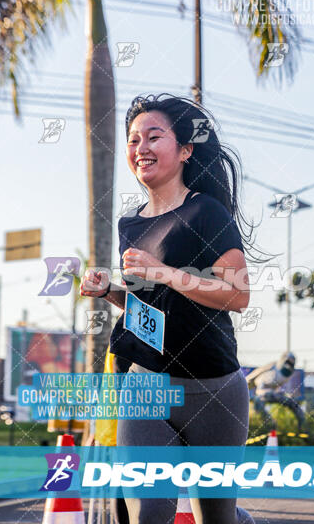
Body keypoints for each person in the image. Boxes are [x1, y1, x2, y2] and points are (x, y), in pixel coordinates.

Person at [80, 94, 270, 524]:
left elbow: (237, 295)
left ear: (185, 150)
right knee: (149, 512)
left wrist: (163, 271)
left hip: (213, 388)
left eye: (153, 136)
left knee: (215, 517)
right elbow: (150, 311)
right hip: (147, 385)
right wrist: (110, 290)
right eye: (133, 140)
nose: (140, 147)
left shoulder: (207, 211)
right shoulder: (130, 224)